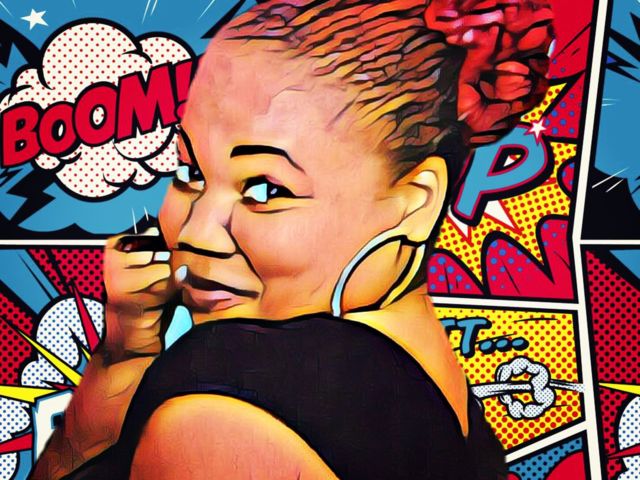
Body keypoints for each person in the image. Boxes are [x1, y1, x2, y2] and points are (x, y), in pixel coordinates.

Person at [31, 0, 553, 478]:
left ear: (414, 202)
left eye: (265, 188)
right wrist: (126, 349)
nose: (195, 234)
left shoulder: (220, 410)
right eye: (189, 171)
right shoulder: (440, 392)